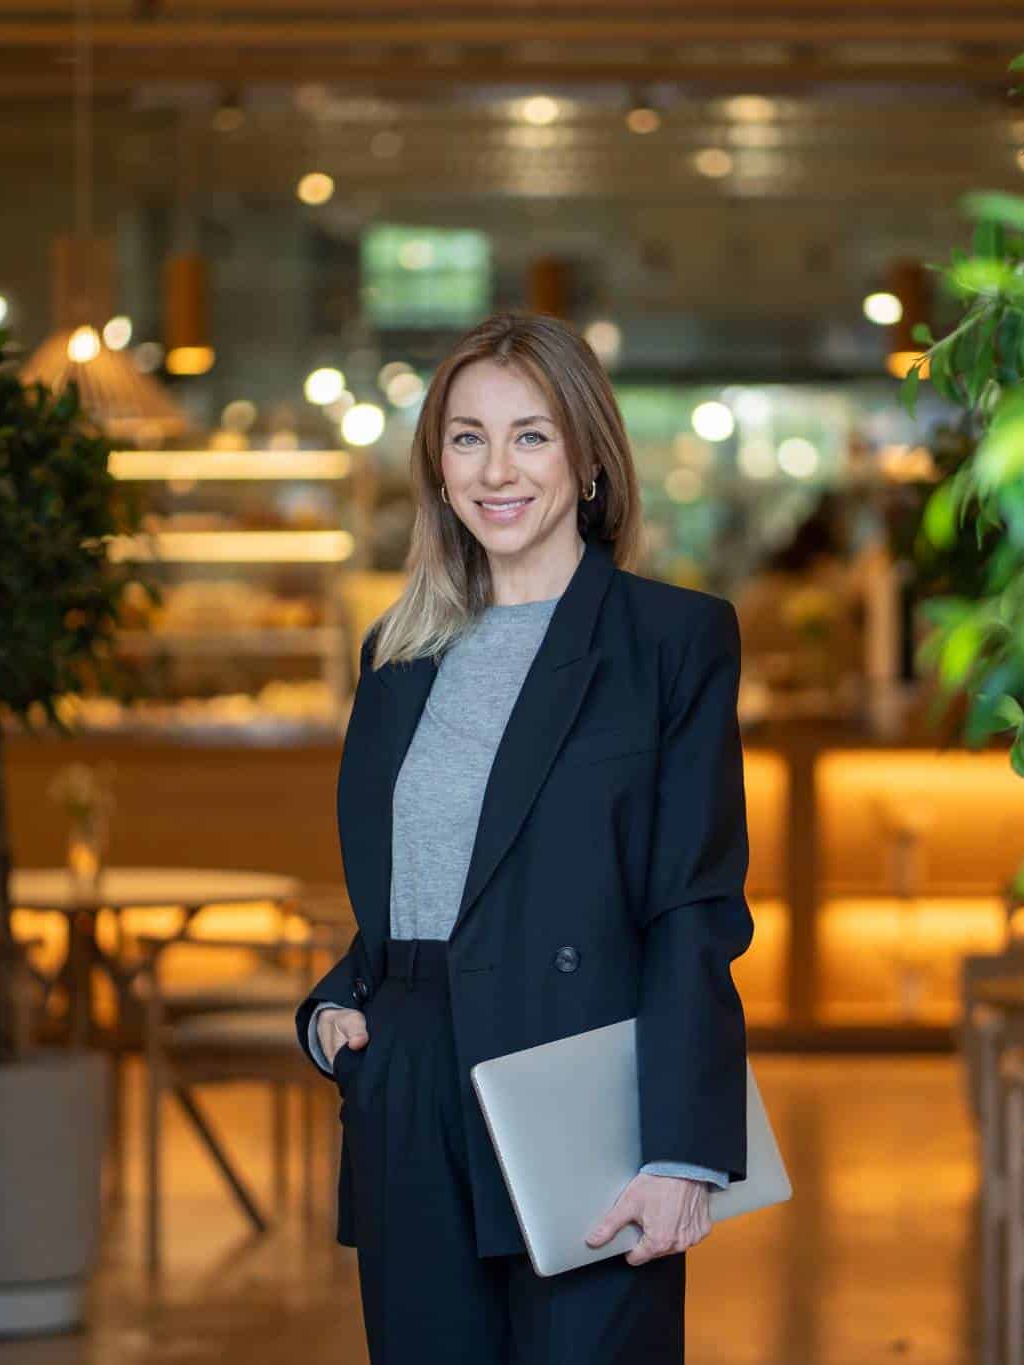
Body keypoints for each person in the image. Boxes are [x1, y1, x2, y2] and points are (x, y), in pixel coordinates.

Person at [294, 311, 755, 1364]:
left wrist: (684, 1150)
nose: (495, 469)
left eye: (530, 435)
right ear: (437, 468)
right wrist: (336, 1006)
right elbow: (424, 884)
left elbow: (691, 907)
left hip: (582, 1087)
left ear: (588, 458)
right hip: (409, 1086)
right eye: (466, 438)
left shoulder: (670, 642)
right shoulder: (397, 654)